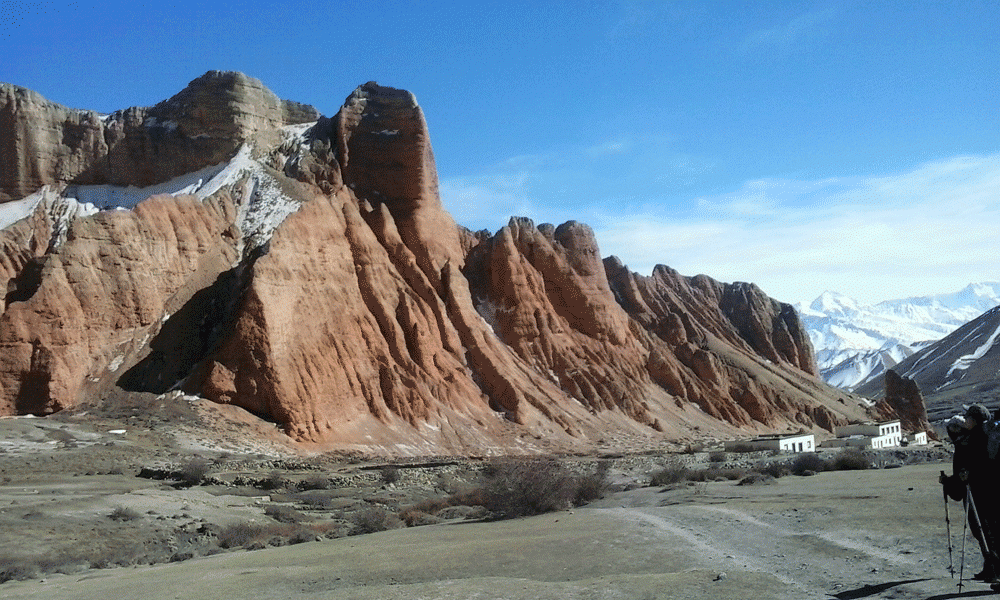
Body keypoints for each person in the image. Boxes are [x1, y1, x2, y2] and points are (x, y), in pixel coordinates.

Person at [941, 404, 1000, 583]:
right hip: (980, 491)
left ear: (974, 420)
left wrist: (959, 479)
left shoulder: (981, 438)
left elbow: (984, 467)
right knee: (983, 531)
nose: (965, 420)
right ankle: (990, 568)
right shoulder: (977, 436)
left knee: (989, 532)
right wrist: (953, 480)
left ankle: (995, 571)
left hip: (983, 493)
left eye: (968, 417)